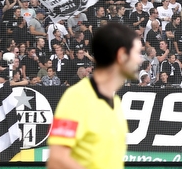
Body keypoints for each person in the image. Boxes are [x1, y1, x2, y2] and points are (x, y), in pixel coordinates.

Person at [47, 22, 142, 169]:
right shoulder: (77, 97)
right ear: (121, 56)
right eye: (136, 53)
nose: (140, 60)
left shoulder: (114, 101)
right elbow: (57, 160)